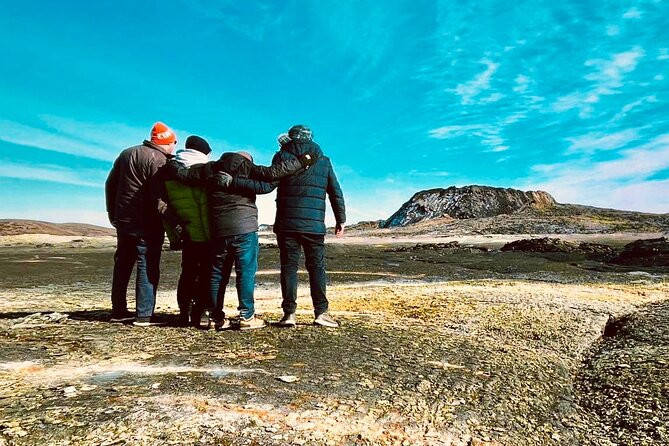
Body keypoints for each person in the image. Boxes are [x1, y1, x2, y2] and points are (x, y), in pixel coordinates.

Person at [172, 149, 314, 330]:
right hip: (244, 228)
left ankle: (215, 318)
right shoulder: (247, 167)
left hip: (219, 229)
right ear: (247, 160)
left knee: (217, 275)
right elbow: (269, 179)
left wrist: (171, 164)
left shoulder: (211, 168)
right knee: (245, 272)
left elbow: (184, 174)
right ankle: (247, 316)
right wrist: (300, 163)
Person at [272, 125, 346, 328]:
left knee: (289, 268)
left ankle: (289, 315)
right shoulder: (324, 161)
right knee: (317, 268)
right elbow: (335, 191)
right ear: (311, 138)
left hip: (287, 223)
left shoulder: (281, 157)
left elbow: (270, 180)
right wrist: (341, 219)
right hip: (314, 225)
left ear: (291, 137)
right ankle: (321, 313)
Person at [105, 122, 177, 326]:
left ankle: (118, 310)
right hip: (147, 222)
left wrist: (112, 212)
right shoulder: (159, 160)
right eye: (173, 143)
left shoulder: (126, 154)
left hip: (124, 220)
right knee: (147, 264)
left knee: (123, 264)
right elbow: (159, 198)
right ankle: (144, 314)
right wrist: (175, 220)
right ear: (167, 142)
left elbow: (110, 184)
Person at [158, 135, 213, 327]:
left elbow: (164, 208)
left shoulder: (168, 172)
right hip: (207, 234)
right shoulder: (206, 171)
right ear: (204, 152)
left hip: (186, 232)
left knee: (188, 272)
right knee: (207, 273)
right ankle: (202, 312)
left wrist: (175, 235)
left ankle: (185, 312)